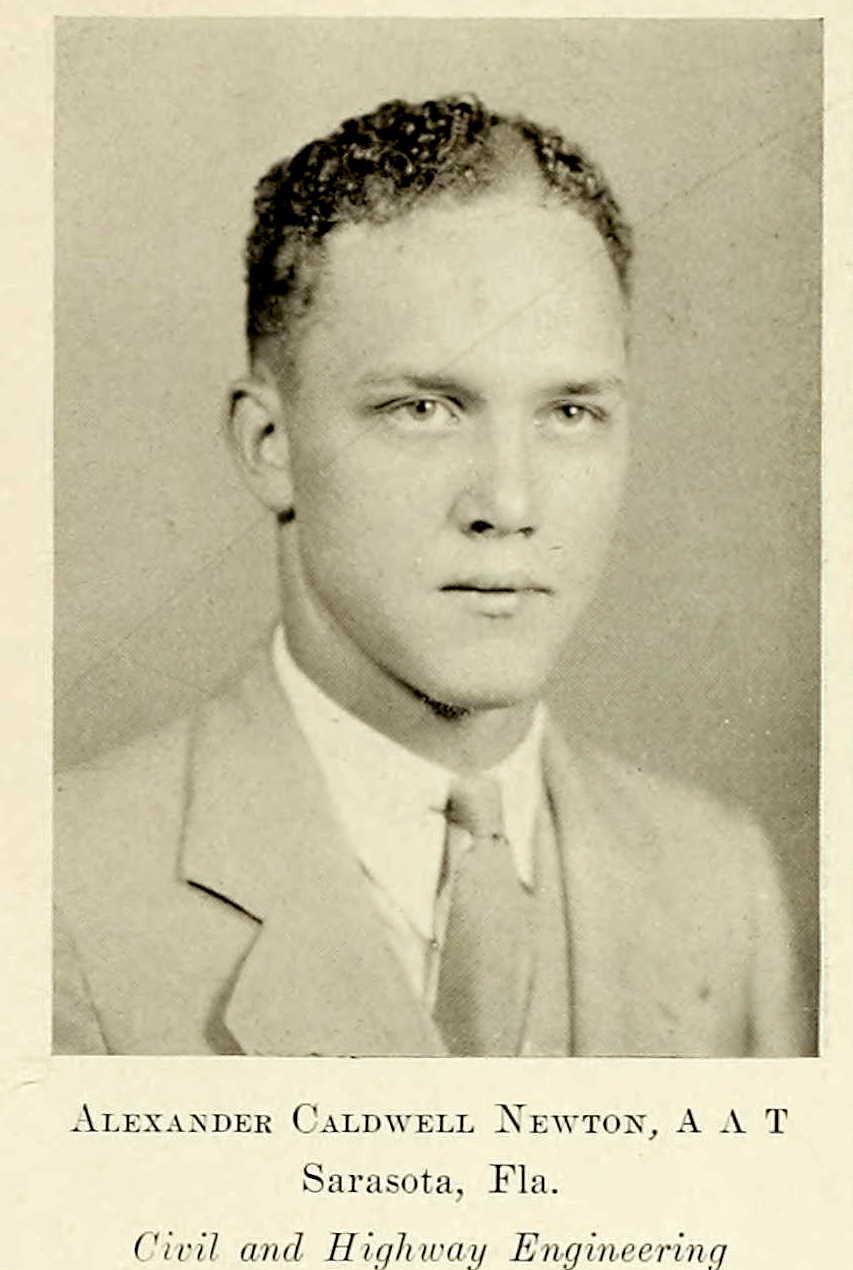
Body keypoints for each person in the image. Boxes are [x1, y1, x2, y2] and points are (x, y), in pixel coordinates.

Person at [53, 95, 813, 1057]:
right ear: (269, 443)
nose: (508, 501)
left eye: (569, 413)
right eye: (423, 408)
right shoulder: (55, 891)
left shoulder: (721, 881)